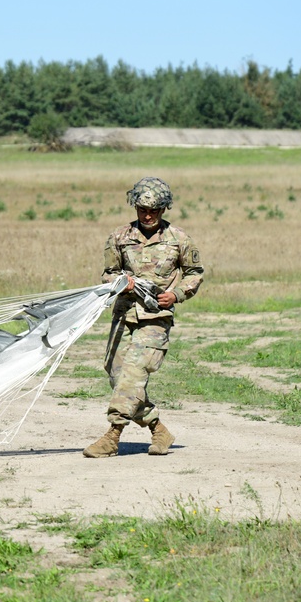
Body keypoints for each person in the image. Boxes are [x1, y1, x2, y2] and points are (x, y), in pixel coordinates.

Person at [83, 177, 205, 458]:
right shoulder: (119, 237)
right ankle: (158, 428)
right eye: (142, 209)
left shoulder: (179, 239)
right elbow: (107, 273)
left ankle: (112, 436)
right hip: (124, 316)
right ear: (134, 207)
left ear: (164, 209)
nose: (148, 215)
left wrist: (177, 295)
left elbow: (195, 272)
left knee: (133, 375)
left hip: (155, 319)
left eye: (154, 210)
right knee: (118, 377)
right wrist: (118, 282)